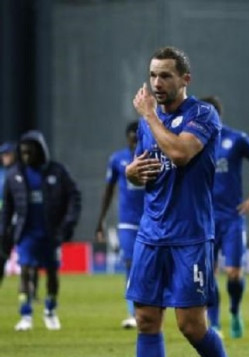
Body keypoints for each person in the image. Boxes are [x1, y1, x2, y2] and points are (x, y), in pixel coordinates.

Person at [111, 46, 242, 357]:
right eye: (152, 76)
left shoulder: (203, 115)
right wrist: (133, 173)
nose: (157, 83)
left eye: (165, 76)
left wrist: (149, 115)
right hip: (151, 233)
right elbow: (146, 169)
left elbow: (182, 153)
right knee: (146, 318)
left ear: (186, 79)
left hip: (190, 234)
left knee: (190, 324)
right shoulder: (147, 127)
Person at [199, 95, 249, 339]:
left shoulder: (236, 139)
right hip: (205, 219)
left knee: (234, 273)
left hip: (232, 218)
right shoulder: (194, 143)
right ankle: (215, 324)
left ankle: (235, 310)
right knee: (209, 273)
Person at [1, 130, 82, 331]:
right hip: (26, 233)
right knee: (26, 271)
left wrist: (68, 222)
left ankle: (50, 310)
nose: (26, 156)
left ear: (40, 151)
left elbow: (74, 197)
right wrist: (4, 231)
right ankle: (25, 314)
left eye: (30, 152)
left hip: (51, 232)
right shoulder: (15, 175)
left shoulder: (57, 172)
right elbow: (7, 207)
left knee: (52, 274)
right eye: (23, 152)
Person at [95, 121, 145, 329]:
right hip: (127, 221)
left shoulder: (154, 156)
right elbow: (108, 190)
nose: (134, 144)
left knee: (152, 265)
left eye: (138, 139)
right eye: (131, 139)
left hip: (152, 219)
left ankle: (152, 306)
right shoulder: (117, 159)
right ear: (127, 139)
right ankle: (133, 313)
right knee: (130, 263)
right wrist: (101, 221)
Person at [0, 141, 17, 283]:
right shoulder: (1, 174)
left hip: (18, 219)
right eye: (2, 155)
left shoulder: (19, 173)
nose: (4, 157)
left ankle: (30, 293)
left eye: (7, 154)